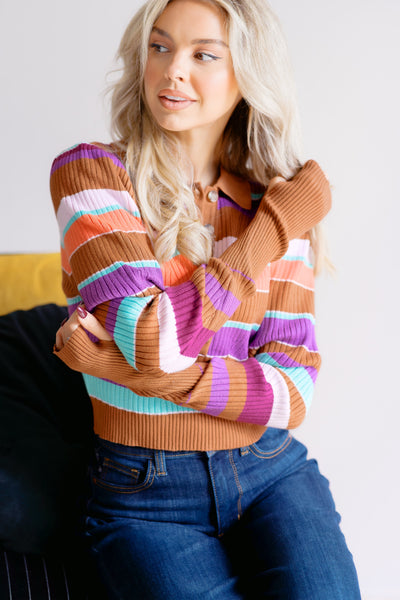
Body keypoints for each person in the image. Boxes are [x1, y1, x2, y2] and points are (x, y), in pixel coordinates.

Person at [50, 0, 361, 597]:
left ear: (247, 75)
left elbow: (293, 391)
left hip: (273, 471)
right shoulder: (92, 176)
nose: (172, 70)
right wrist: (271, 231)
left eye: (203, 55)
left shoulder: (268, 198)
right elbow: (153, 340)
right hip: (145, 492)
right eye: (160, 46)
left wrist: (125, 370)